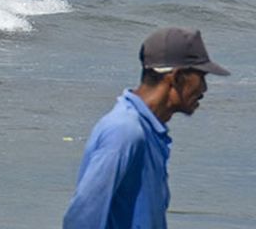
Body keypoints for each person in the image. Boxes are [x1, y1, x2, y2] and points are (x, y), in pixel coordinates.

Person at [63, 27, 229, 228]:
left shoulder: (150, 131)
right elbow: (83, 217)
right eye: (201, 77)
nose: (204, 88)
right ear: (175, 77)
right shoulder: (125, 131)